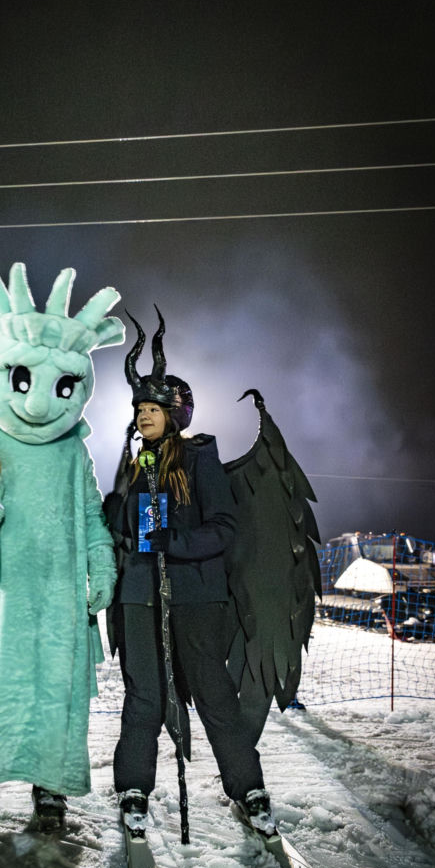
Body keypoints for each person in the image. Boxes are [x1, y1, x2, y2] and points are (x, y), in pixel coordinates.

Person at [0, 262, 124, 827]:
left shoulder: (71, 453)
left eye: (63, 386)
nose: (40, 404)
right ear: (0, 372)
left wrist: (100, 563)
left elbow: (91, 517)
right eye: (23, 380)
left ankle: (50, 788)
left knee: (51, 696)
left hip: (56, 601)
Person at [105, 311, 276, 839]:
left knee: (213, 694)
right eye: (138, 409)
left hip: (198, 597)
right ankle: (135, 788)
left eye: (152, 408)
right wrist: (120, 508)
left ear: (175, 413)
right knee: (145, 697)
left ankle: (248, 788)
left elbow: (224, 527)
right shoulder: (134, 464)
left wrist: (173, 543)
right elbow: (121, 530)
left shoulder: (201, 459)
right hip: (140, 594)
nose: (142, 416)